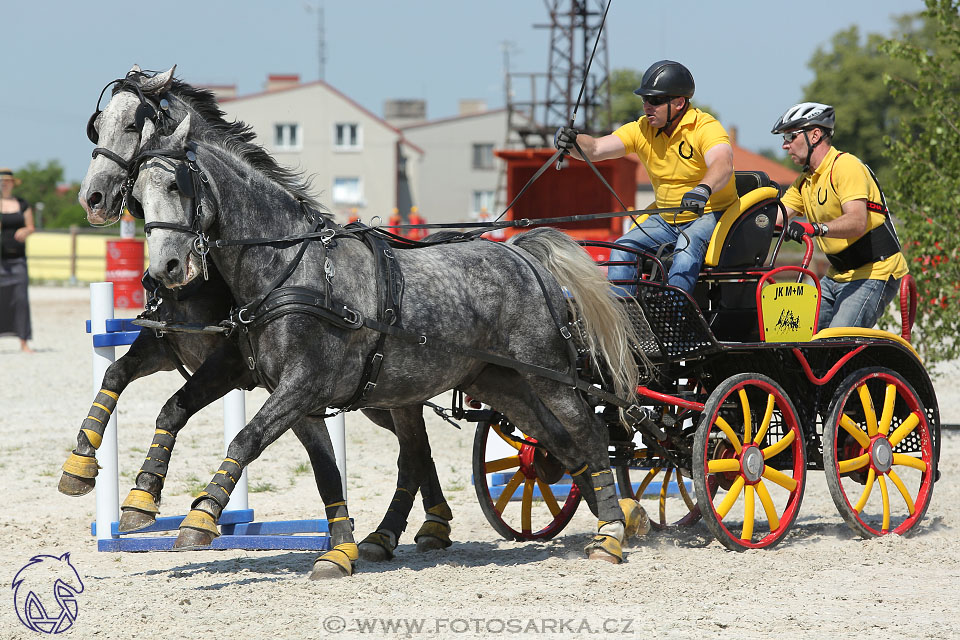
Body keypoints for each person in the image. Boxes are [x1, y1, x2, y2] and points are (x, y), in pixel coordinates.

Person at [554, 60, 737, 294]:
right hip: (666, 216)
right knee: (623, 247)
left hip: (710, 213)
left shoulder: (705, 127)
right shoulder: (642, 129)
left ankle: (674, 318)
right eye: (645, 100)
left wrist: (703, 189)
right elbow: (596, 149)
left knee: (686, 250)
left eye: (656, 101)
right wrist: (570, 140)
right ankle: (624, 319)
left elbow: (723, 164)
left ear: (679, 103)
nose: (647, 106)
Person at [771, 102, 908, 329]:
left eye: (790, 137)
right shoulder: (805, 182)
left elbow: (856, 221)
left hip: (874, 272)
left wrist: (815, 228)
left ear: (815, 135)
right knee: (799, 336)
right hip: (837, 275)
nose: (785, 146)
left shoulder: (845, 167)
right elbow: (775, 218)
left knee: (836, 342)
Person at [0, 168, 34, 352]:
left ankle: (23, 341)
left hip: (18, 259)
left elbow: (31, 226)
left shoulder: (22, 204)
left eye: (7, 181)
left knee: (21, 299)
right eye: (1, 181)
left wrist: (26, 230)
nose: (4, 184)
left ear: (12, 183)